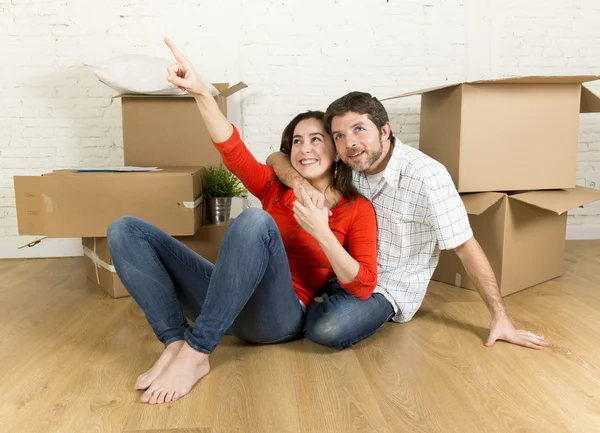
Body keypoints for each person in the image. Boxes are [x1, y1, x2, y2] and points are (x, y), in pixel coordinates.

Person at [106, 38, 379, 405]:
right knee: (125, 228)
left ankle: (197, 350)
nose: (305, 149)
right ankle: (175, 342)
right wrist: (201, 92)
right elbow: (232, 150)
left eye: (316, 139)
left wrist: (323, 233)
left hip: (279, 318)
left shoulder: (355, 209)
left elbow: (362, 286)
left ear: (335, 150)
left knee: (254, 221)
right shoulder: (275, 188)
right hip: (225, 302)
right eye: (297, 141)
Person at [267, 91, 550, 351]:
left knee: (328, 329)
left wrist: (500, 317)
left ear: (385, 130)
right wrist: (298, 183)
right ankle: (293, 309)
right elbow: (277, 157)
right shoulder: (348, 164)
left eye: (359, 130)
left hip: (386, 287)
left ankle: (297, 316)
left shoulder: (428, 177)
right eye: (339, 136)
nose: (349, 143)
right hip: (342, 270)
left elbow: (465, 246)